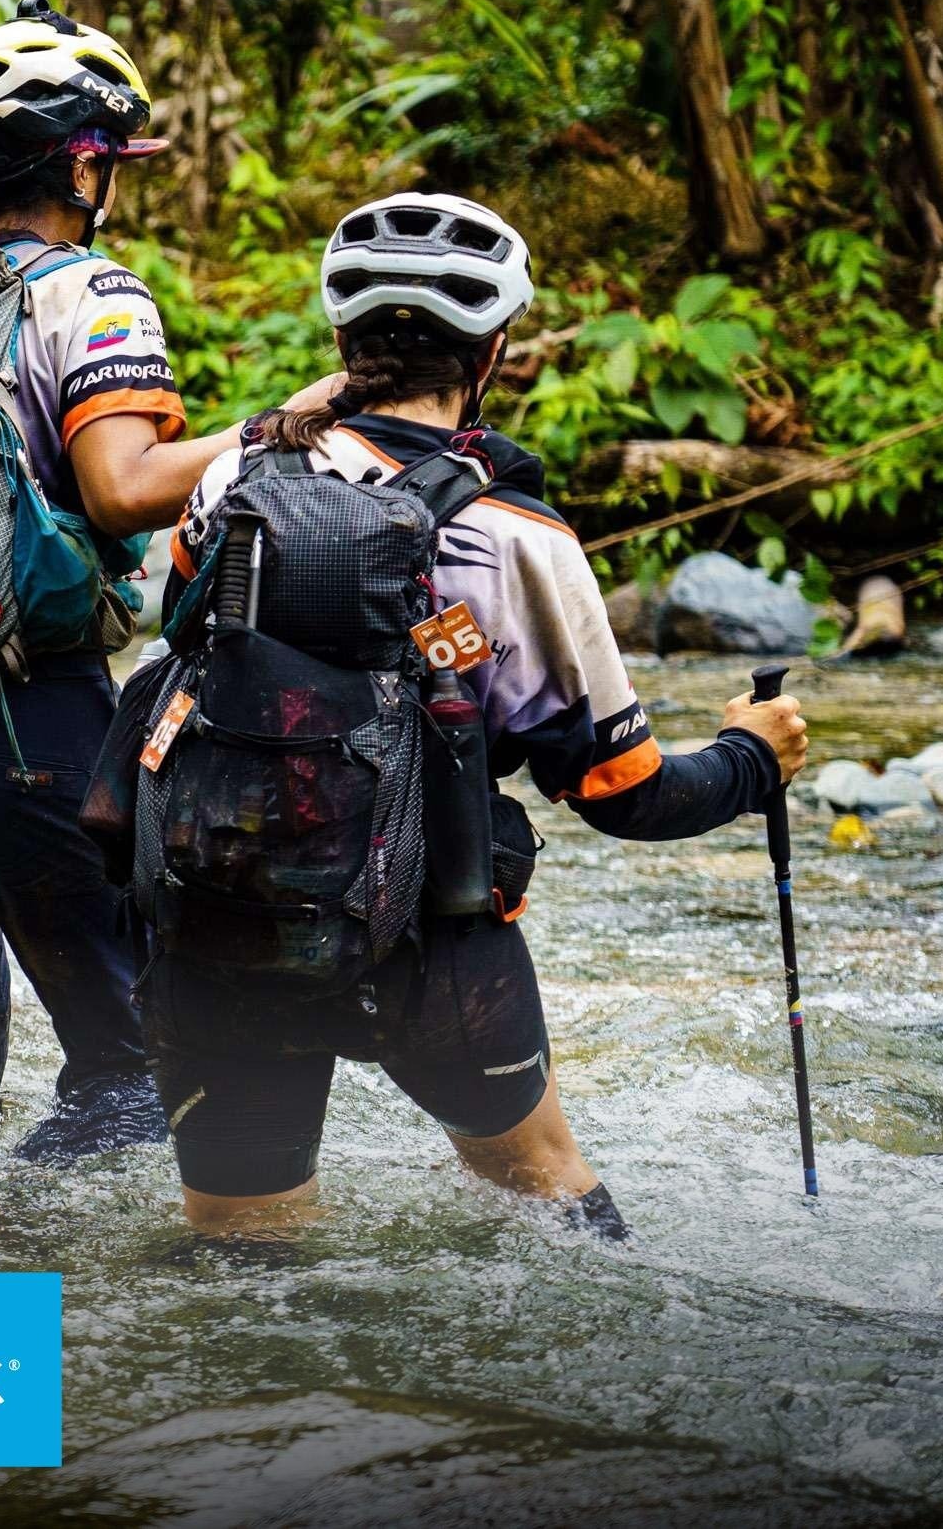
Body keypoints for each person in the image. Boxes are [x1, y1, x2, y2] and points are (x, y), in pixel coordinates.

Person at [141, 191, 811, 1235]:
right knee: (547, 1189)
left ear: (339, 337)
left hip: (217, 911)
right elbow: (623, 792)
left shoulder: (234, 477)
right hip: (431, 946)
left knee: (239, 1253)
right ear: (490, 351)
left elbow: (183, 637)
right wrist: (749, 757)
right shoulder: (515, 534)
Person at [0, 1, 310, 1159]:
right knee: (130, 1055)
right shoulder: (91, 293)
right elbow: (123, 488)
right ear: (85, 162)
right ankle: (101, 1312)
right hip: (20, 713)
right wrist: (278, 425)